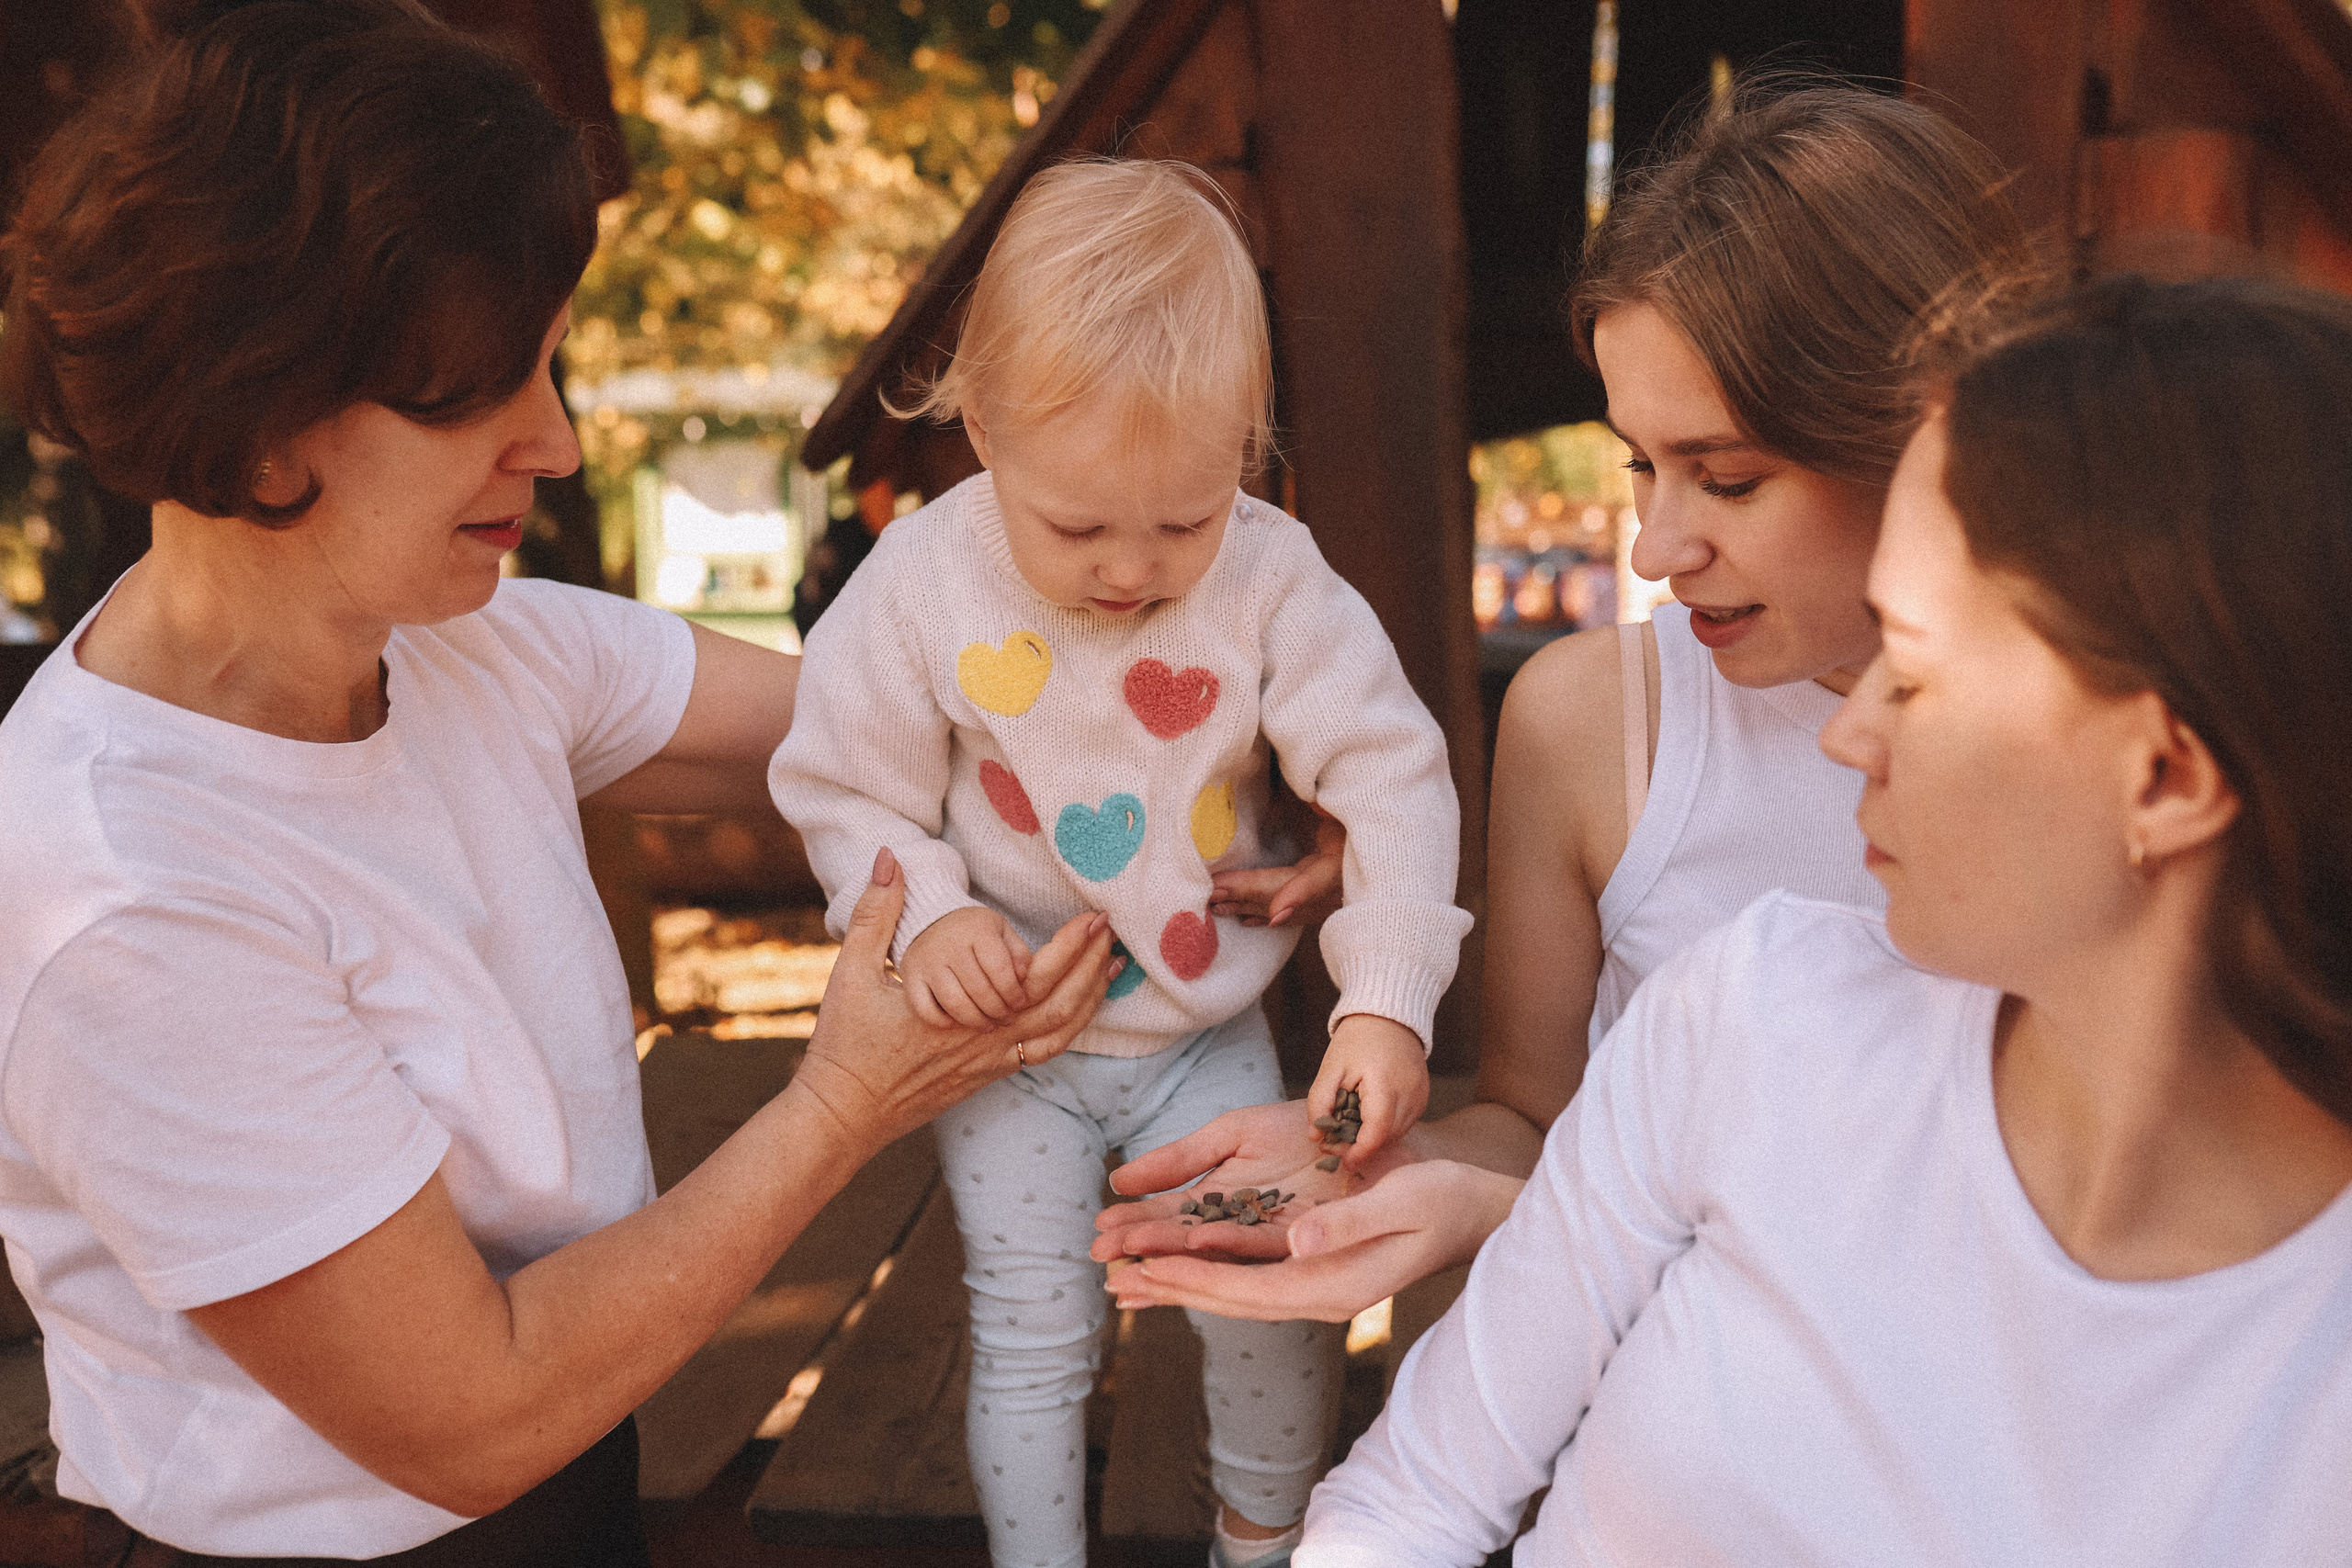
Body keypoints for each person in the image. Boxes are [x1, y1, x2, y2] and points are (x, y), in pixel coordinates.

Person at [0, 3, 1123, 1561]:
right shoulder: (126, 895)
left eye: (549, 366)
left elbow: (879, 720)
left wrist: (1207, 754)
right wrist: (852, 1100)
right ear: (260, 424)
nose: (565, 442)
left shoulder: (463, 648)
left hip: (571, 1472)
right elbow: (471, 1412)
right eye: (475, 391)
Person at [1294, 272, 2352, 1565]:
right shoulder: (1753, 1011)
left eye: (1915, 673)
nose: (1849, 733)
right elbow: (1403, 1506)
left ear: (2167, 777)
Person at [1094, 83, 2031, 1324]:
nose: (1655, 550)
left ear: (1928, 433)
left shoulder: (2123, 755)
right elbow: (1538, 1122)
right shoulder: (1592, 722)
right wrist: (1372, 1173)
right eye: (1642, 464)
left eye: (1729, 479)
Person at [767, 158, 1472, 1568]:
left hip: (1201, 1044)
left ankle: (1263, 1546)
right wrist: (926, 918)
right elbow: (847, 787)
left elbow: (1390, 770)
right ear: (981, 433)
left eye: (1186, 521)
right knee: (1031, 1330)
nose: (1133, 571)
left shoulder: (1271, 579)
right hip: (1008, 1051)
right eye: (1078, 527)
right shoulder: (919, 588)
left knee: (1262, 1287)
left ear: (1246, 462)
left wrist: (1384, 998)